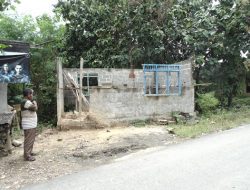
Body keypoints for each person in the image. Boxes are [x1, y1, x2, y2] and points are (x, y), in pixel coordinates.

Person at [21, 88, 38, 161]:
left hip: (30, 123)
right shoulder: (25, 101)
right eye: (31, 94)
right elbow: (34, 108)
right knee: (29, 139)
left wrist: (33, 103)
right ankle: (27, 155)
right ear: (28, 95)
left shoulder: (27, 101)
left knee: (31, 139)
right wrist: (35, 103)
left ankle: (29, 152)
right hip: (28, 124)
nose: (32, 95)